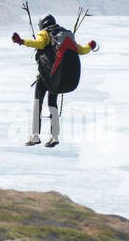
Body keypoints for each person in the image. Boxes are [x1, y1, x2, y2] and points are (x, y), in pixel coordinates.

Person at [11, 14, 96, 148]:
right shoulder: (63, 35)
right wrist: (90, 46)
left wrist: (21, 41)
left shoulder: (44, 33)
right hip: (57, 77)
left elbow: (38, 44)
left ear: (42, 25)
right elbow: (80, 50)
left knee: (37, 103)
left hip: (45, 76)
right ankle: (55, 136)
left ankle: (35, 136)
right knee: (52, 104)